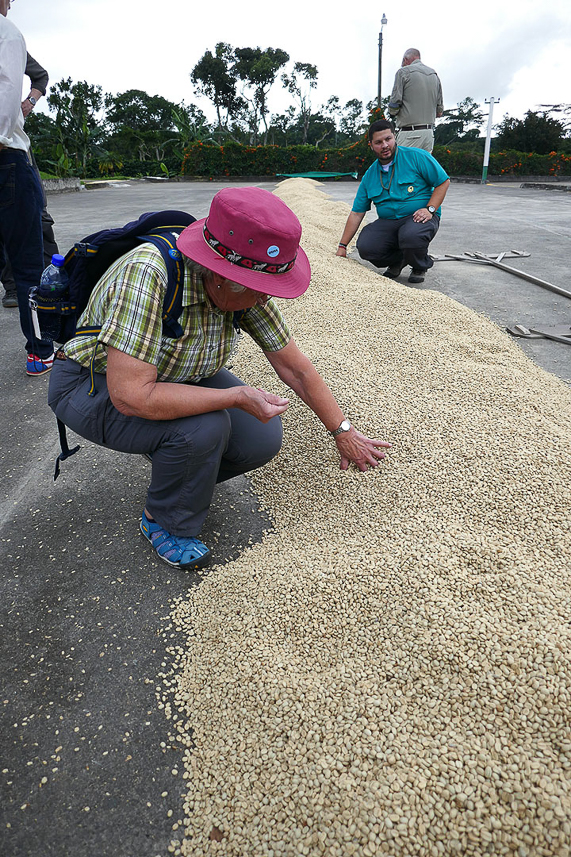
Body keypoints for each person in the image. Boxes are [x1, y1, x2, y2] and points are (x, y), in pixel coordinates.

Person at [48, 187, 391, 570]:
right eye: (261, 292)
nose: (266, 300)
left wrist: (341, 430)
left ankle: (177, 470)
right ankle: (164, 521)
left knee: (261, 437)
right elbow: (130, 395)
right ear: (220, 276)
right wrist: (234, 397)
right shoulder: (149, 275)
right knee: (203, 429)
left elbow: (294, 366)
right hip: (90, 383)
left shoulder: (246, 287)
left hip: (175, 375)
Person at [0, 0, 54, 373]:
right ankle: (39, 349)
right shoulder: (6, 32)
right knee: (27, 265)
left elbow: (39, 76)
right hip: (6, 158)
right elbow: (5, 87)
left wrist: (29, 102)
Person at [336, 119, 450, 284]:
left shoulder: (417, 157)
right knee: (367, 246)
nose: (384, 145)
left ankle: (419, 264)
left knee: (411, 236)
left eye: (388, 139)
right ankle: (399, 260)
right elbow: (356, 212)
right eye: (378, 142)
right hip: (389, 222)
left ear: (394, 137)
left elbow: (443, 181)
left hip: (419, 217)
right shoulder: (370, 175)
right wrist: (342, 246)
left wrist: (430, 209)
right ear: (371, 145)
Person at [2, 52, 59, 309]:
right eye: (8, 5)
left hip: (15, 143)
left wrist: (30, 101)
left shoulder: (10, 40)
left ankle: (51, 280)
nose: (10, 7)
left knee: (39, 213)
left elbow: (40, 76)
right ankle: (12, 287)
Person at [388, 48, 443, 153]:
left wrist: (393, 113)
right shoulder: (434, 75)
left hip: (409, 133)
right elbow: (439, 111)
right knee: (423, 169)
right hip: (429, 134)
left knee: (402, 167)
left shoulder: (403, 72)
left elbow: (394, 105)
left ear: (405, 60)